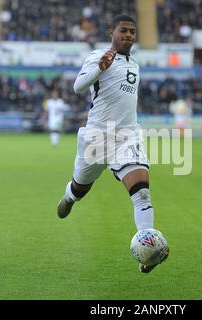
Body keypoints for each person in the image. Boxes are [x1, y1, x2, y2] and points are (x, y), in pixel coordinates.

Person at [56, 15, 168, 273]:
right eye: (123, 30)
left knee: (141, 192)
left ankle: (147, 252)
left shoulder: (135, 64)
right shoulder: (98, 55)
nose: (128, 35)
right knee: (81, 186)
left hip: (127, 136)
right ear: (112, 32)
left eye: (132, 31)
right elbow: (77, 87)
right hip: (96, 137)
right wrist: (100, 68)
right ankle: (70, 196)